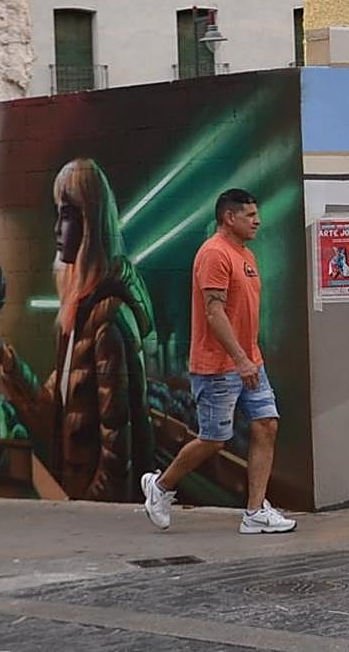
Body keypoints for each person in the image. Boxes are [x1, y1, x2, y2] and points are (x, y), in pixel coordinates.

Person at [0, 158, 155, 501]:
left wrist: (80, 513)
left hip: (99, 523)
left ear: (90, 223)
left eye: (66, 214)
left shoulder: (107, 321)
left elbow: (115, 467)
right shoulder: (80, 315)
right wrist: (4, 358)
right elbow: (52, 408)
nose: (57, 228)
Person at [141, 188, 296, 534]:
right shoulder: (214, 254)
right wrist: (240, 358)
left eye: (257, 214)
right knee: (214, 439)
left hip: (249, 363)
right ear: (229, 217)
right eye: (250, 215)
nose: (258, 220)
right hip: (219, 367)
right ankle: (160, 487)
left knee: (267, 424)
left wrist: (249, 358)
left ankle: (254, 512)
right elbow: (214, 311)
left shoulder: (246, 255)